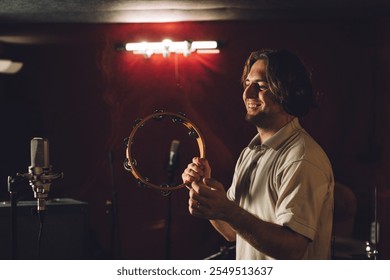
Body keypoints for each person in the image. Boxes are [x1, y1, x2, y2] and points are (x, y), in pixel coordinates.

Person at [181, 49, 334, 260]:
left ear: (288, 91)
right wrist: (205, 190)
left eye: (261, 86)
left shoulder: (301, 157)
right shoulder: (250, 153)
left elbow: (293, 249)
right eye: (247, 84)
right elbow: (232, 232)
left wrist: (228, 210)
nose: (248, 94)